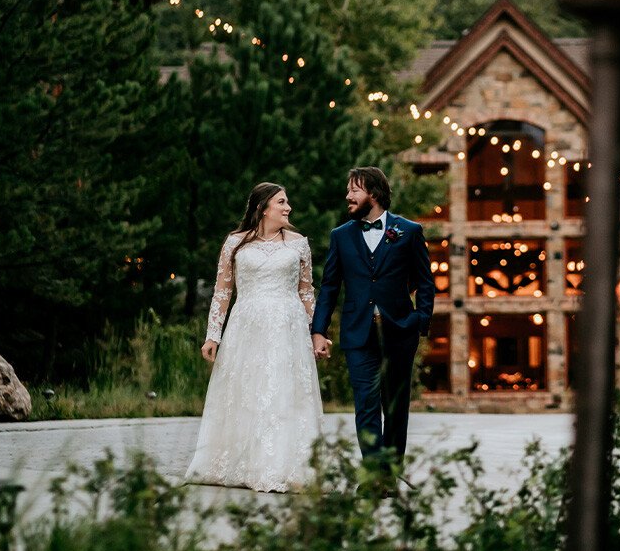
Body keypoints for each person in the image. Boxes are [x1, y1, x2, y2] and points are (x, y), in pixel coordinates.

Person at [185, 182, 326, 493]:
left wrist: (316, 332)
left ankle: (283, 465)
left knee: (283, 391)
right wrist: (213, 335)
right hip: (246, 325)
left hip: (288, 327)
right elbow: (223, 290)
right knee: (248, 390)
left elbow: (306, 292)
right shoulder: (235, 243)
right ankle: (243, 462)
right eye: (282, 202)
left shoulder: (299, 243)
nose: (288, 208)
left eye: (287, 202)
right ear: (263, 208)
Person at [311, 167, 435, 472]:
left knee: (394, 407)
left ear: (374, 194)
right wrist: (318, 330)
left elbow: (426, 281)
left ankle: (390, 473)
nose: (347, 196)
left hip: (399, 332)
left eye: (354, 190)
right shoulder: (340, 236)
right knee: (365, 405)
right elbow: (329, 287)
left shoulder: (409, 231)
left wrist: (420, 320)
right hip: (358, 334)